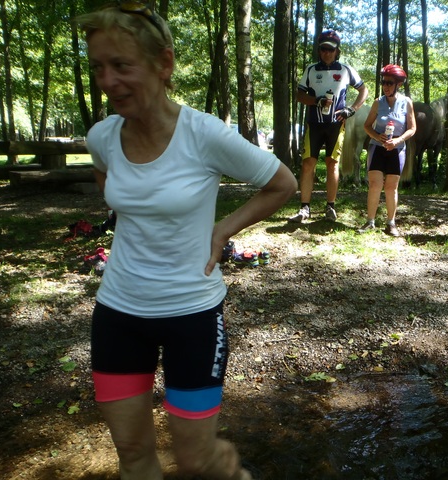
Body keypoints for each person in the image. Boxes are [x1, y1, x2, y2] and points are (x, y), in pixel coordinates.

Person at [76, 3, 297, 479]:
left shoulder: (204, 134)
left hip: (192, 317)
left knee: (198, 460)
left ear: (164, 64)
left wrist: (222, 230)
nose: (107, 80)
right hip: (117, 313)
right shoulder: (102, 137)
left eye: (121, 65)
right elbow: (107, 182)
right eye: (98, 67)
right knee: (134, 456)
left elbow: (282, 184)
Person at [289, 29, 369, 223]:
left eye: (331, 50)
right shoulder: (310, 70)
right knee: (308, 164)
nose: (327, 53)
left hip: (336, 125)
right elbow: (299, 95)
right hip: (314, 124)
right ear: (319, 50)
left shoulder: (345, 69)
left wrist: (351, 109)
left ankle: (330, 208)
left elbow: (363, 90)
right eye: (324, 49)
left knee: (332, 164)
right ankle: (304, 209)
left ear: (337, 51)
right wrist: (316, 100)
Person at [359, 64, 416, 237]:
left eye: (390, 83)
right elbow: (367, 126)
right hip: (377, 148)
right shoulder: (378, 102)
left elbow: (412, 128)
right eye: (384, 82)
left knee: (391, 188)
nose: (386, 86)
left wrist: (398, 140)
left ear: (398, 84)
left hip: (397, 149)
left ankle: (391, 223)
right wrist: (377, 137)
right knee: (375, 185)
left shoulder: (407, 103)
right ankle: (370, 221)